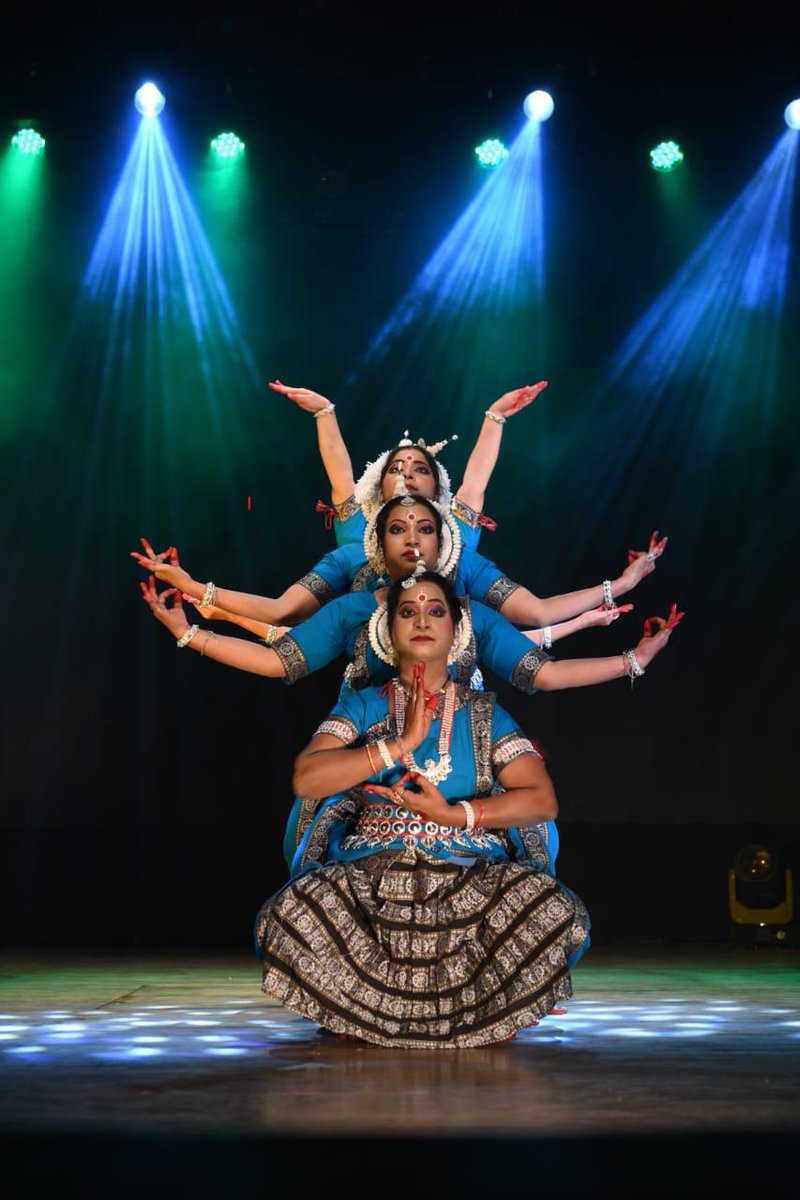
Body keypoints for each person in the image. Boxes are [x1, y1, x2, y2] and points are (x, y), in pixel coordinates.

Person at [253, 572, 590, 1047]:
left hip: (468, 872)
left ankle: (476, 1007)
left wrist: (455, 816)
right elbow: (307, 777)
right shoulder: (364, 705)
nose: (422, 621)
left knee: (556, 911)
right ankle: (359, 1007)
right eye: (407, 612)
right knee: (289, 914)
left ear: (456, 630)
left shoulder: (484, 714)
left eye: (437, 612)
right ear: (388, 630)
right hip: (372, 877)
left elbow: (540, 799)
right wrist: (400, 745)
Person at [135, 495, 682, 699]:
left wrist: (634, 655)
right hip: (367, 747)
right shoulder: (353, 608)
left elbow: (546, 670)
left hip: (464, 745)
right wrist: (189, 627)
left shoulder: (474, 615)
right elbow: (276, 659)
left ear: (444, 541)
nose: (413, 538)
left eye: (425, 527)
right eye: (398, 529)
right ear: (378, 542)